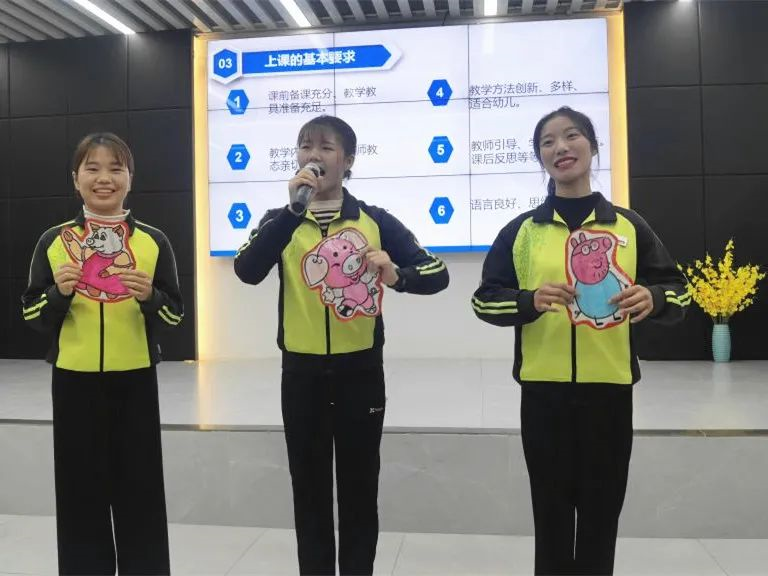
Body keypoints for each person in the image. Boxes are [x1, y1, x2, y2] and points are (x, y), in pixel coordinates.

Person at [472, 107, 689, 575]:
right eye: (547, 142)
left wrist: (653, 297)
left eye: (572, 136)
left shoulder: (628, 226)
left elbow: (680, 290)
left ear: (593, 146)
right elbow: (484, 300)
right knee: (550, 519)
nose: (561, 147)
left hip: (609, 394)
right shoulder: (521, 232)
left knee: (600, 518)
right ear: (540, 157)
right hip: (543, 395)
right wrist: (529, 301)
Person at [234, 115, 449, 575]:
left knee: (359, 492)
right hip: (301, 377)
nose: (313, 155)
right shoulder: (280, 221)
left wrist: (398, 275)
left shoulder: (375, 220)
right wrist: (291, 213)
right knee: (308, 493)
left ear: (348, 161)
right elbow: (246, 270)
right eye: (305, 146)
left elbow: (437, 273)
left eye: (326, 147)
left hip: (360, 377)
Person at [22, 132, 183, 575]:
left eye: (116, 168)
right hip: (73, 382)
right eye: (92, 168)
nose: (104, 178)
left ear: (131, 178)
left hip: (135, 381)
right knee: (79, 496)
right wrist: (58, 294)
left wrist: (151, 297)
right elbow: (32, 315)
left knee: (141, 493)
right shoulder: (54, 241)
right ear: (76, 179)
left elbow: (174, 316)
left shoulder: (153, 241)